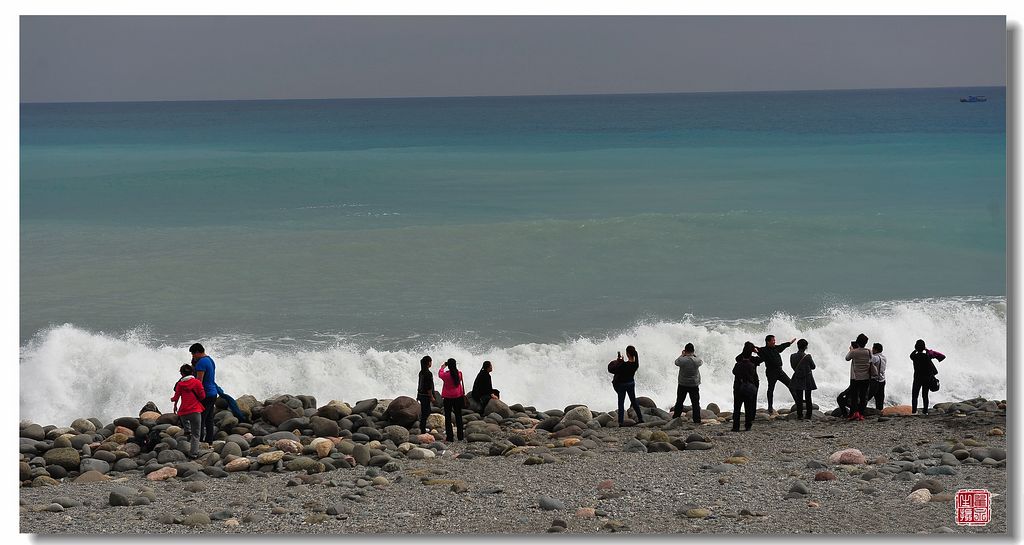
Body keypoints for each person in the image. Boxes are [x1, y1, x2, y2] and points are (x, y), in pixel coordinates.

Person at [171, 364, 206, 459]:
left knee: (186, 423)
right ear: (192, 372)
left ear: (182, 374)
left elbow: (176, 397)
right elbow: (202, 396)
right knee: (196, 434)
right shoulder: (197, 382)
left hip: (184, 412)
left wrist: (172, 400)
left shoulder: (180, 384)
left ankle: (187, 430)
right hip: (195, 411)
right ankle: (193, 453)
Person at [757, 335, 796, 414]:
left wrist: (790, 343)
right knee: (771, 389)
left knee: (791, 384)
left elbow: (783, 346)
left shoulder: (776, 348)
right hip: (771, 372)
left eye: (774, 340)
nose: (774, 342)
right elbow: (753, 348)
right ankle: (770, 407)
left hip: (780, 371)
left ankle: (798, 402)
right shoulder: (763, 350)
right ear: (768, 342)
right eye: (773, 340)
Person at [189, 343, 219, 442]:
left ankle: (199, 441)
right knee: (209, 419)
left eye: (193, 354)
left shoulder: (201, 363)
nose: (193, 356)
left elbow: (199, 382)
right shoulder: (210, 360)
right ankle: (209, 441)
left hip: (205, 394)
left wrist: (194, 395)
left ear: (197, 352)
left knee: (200, 419)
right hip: (213, 393)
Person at [608, 345, 644, 426]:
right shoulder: (635, 364)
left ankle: (620, 422)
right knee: (634, 401)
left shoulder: (624, 365)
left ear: (627, 354)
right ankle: (640, 418)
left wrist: (618, 361)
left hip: (622, 385)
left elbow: (614, 370)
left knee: (621, 403)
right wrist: (621, 362)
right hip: (631, 383)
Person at [732, 342, 762, 431]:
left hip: (738, 386)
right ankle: (748, 425)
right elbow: (764, 358)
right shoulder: (753, 362)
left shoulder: (738, 362)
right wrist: (757, 351)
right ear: (752, 351)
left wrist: (746, 350)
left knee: (737, 407)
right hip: (750, 386)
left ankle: (735, 426)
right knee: (749, 407)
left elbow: (734, 371)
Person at [910, 339, 945, 415]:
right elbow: (940, 357)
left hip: (917, 378)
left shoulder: (914, 357)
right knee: (925, 395)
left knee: (915, 395)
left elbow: (911, 354)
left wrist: (916, 349)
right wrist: (926, 349)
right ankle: (925, 411)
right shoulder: (927, 357)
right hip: (926, 379)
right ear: (923, 347)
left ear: (916, 347)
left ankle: (914, 411)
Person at [671, 343, 703, 423]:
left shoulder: (682, 360)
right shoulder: (697, 361)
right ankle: (697, 419)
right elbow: (701, 361)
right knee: (695, 403)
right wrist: (693, 355)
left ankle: (676, 417)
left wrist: (682, 355)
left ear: (685, 350)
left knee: (679, 401)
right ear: (693, 351)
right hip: (694, 384)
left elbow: (676, 362)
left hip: (683, 383)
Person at [844, 334, 873, 421]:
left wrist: (851, 350)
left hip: (855, 378)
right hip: (866, 377)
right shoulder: (869, 351)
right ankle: (861, 414)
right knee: (863, 396)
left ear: (857, 342)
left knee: (855, 396)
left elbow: (847, 358)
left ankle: (855, 413)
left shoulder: (854, 352)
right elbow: (871, 360)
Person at [438, 358, 466, 441]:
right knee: (458, 416)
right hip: (458, 397)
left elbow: (440, 374)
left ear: (448, 366)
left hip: (448, 398)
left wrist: (442, 367)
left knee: (448, 417)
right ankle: (460, 436)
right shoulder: (459, 374)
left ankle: (450, 437)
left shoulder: (446, 375)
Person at [789, 338, 817, 420]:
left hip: (797, 377)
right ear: (806, 347)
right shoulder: (807, 357)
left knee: (799, 398)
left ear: (797, 346)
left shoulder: (792, 356)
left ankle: (799, 415)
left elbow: (793, 366)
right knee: (808, 397)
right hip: (807, 378)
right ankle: (808, 415)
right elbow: (813, 367)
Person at [866, 343, 887, 414]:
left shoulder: (876, 357)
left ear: (876, 350)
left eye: (873, 349)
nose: (872, 350)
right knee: (880, 398)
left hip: (875, 381)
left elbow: (869, 360)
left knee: (868, 396)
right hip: (882, 380)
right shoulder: (884, 357)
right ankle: (880, 412)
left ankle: (861, 410)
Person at [417, 356, 435, 434]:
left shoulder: (421, 372)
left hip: (421, 394)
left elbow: (420, 384)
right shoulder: (428, 373)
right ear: (428, 363)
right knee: (426, 412)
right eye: (430, 361)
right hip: (426, 396)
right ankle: (423, 429)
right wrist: (431, 397)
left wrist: (418, 395)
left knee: (425, 412)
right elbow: (429, 387)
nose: (431, 363)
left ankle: (422, 427)